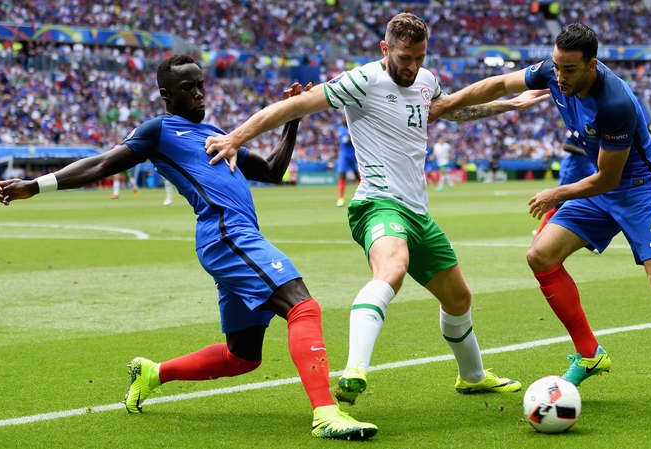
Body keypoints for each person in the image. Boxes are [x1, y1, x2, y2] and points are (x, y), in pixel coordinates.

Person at [0, 54, 377, 441]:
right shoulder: (159, 130)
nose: (198, 94)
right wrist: (36, 185)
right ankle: (326, 414)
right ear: (166, 94)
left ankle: (153, 373)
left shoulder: (214, 131)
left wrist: (291, 120)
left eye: (200, 85)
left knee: (242, 357)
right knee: (302, 305)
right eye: (187, 88)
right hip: (226, 233)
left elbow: (271, 171)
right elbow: (101, 164)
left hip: (237, 237)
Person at [204, 13, 550, 406]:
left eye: (419, 57)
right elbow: (293, 107)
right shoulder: (362, 80)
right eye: (405, 57)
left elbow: (449, 110)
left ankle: (471, 377)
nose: (413, 66)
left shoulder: (425, 80)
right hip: (377, 203)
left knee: (459, 299)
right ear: (386, 49)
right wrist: (236, 136)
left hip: (417, 211)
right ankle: (354, 370)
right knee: (393, 267)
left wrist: (510, 105)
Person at [429, 23, 651, 415]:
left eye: (569, 69)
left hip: (640, 191)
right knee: (541, 255)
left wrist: (556, 193)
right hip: (602, 188)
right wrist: (445, 105)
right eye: (556, 67)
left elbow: (608, 178)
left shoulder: (615, 103)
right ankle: (589, 353)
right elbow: (501, 83)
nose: (560, 77)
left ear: (592, 65)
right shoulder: (553, 73)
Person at [533, 134, 595, 238]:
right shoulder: (577, 128)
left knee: (589, 200)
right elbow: (566, 146)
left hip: (587, 170)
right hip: (573, 170)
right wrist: (583, 151)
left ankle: (589, 239)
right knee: (560, 202)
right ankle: (540, 232)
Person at [335, 122, 359, 207]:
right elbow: (346, 139)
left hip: (354, 155)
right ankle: (341, 198)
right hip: (344, 155)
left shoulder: (354, 126)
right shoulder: (342, 128)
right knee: (342, 175)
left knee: (358, 175)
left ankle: (364, 194)